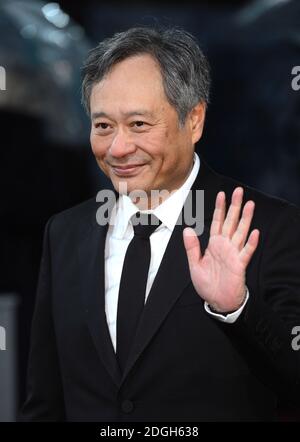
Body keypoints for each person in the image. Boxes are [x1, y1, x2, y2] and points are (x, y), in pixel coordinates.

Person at [20, 26, 300, 422]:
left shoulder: (273, 227)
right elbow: (46, 402)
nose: (117, 148)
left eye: (138, 125)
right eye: (103, 126)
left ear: (195, 120)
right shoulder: (64, 233)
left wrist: (239, 309)